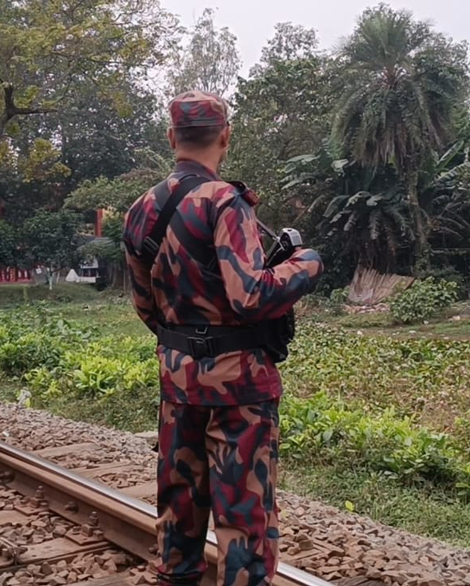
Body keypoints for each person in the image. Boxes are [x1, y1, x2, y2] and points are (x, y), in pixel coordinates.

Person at [122, 90, 324, 586]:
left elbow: (145, 305)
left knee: (180, 503)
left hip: (178, 380)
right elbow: (249, 295)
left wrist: (186, 345)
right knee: (243, 514)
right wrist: (306, 265)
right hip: (240, 389)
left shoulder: (140, 209)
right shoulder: (224, 201)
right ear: (226, 137)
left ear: (172, 138)